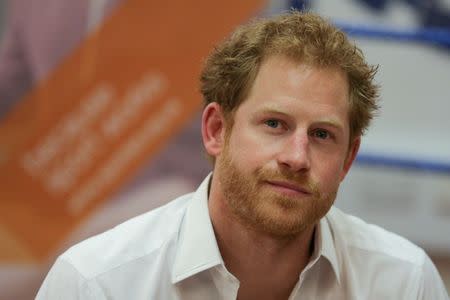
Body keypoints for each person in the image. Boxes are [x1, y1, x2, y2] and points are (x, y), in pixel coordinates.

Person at [36, 11, 449, 300]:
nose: (297, 157)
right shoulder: (97, 285)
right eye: (274, 124)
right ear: (216, 130)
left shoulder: (404, 283)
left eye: (322, 134)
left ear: (348, 159)